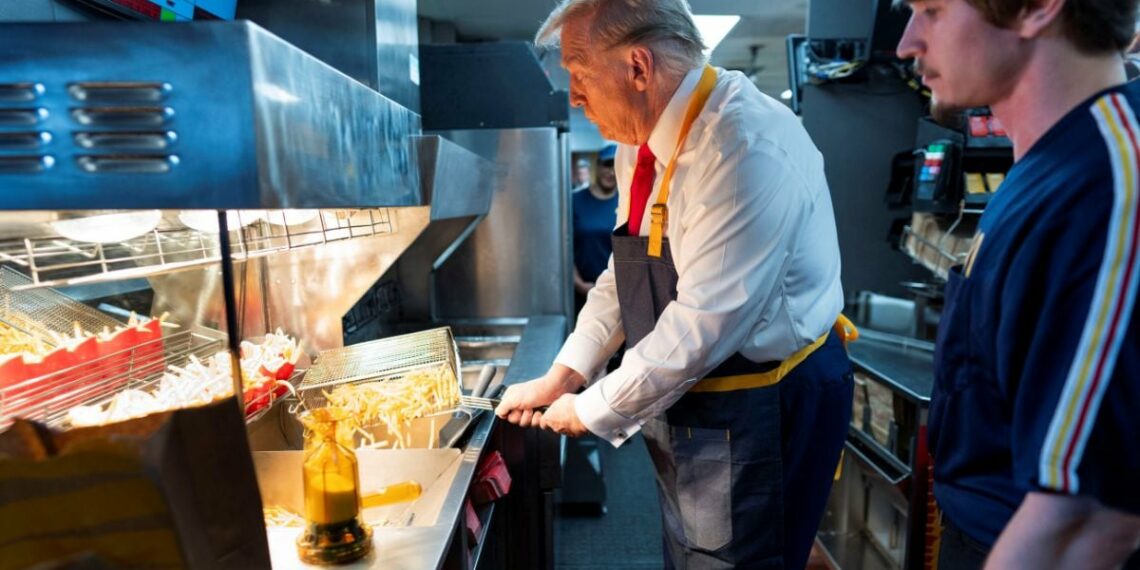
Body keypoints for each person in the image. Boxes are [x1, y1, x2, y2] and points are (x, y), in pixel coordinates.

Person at [495, 0, 855, 567]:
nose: (574, 96)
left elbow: (704, 323)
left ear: (638, 68)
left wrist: (592, 409)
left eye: (580, 73)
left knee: (744, 556)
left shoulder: (744, 148)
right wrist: (562, 377)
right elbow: (624, 274)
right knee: (698, 550)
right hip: (692, 391)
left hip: (762, 396)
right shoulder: (636, 145)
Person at [896, 1, 1140, 568]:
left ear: (1036, 9)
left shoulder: (1112, 185)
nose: (907, 42)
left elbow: (1088, 519)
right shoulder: (1041, 169)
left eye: (931, 10)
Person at [572, 144, 619, 313]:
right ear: (597, 166)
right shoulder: (575, 201)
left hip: (617, 293)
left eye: (615, 166)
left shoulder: (626, 202)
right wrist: (578, 283)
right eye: (607, 165)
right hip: (583, 290)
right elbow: (564, 247)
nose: (611, 172)